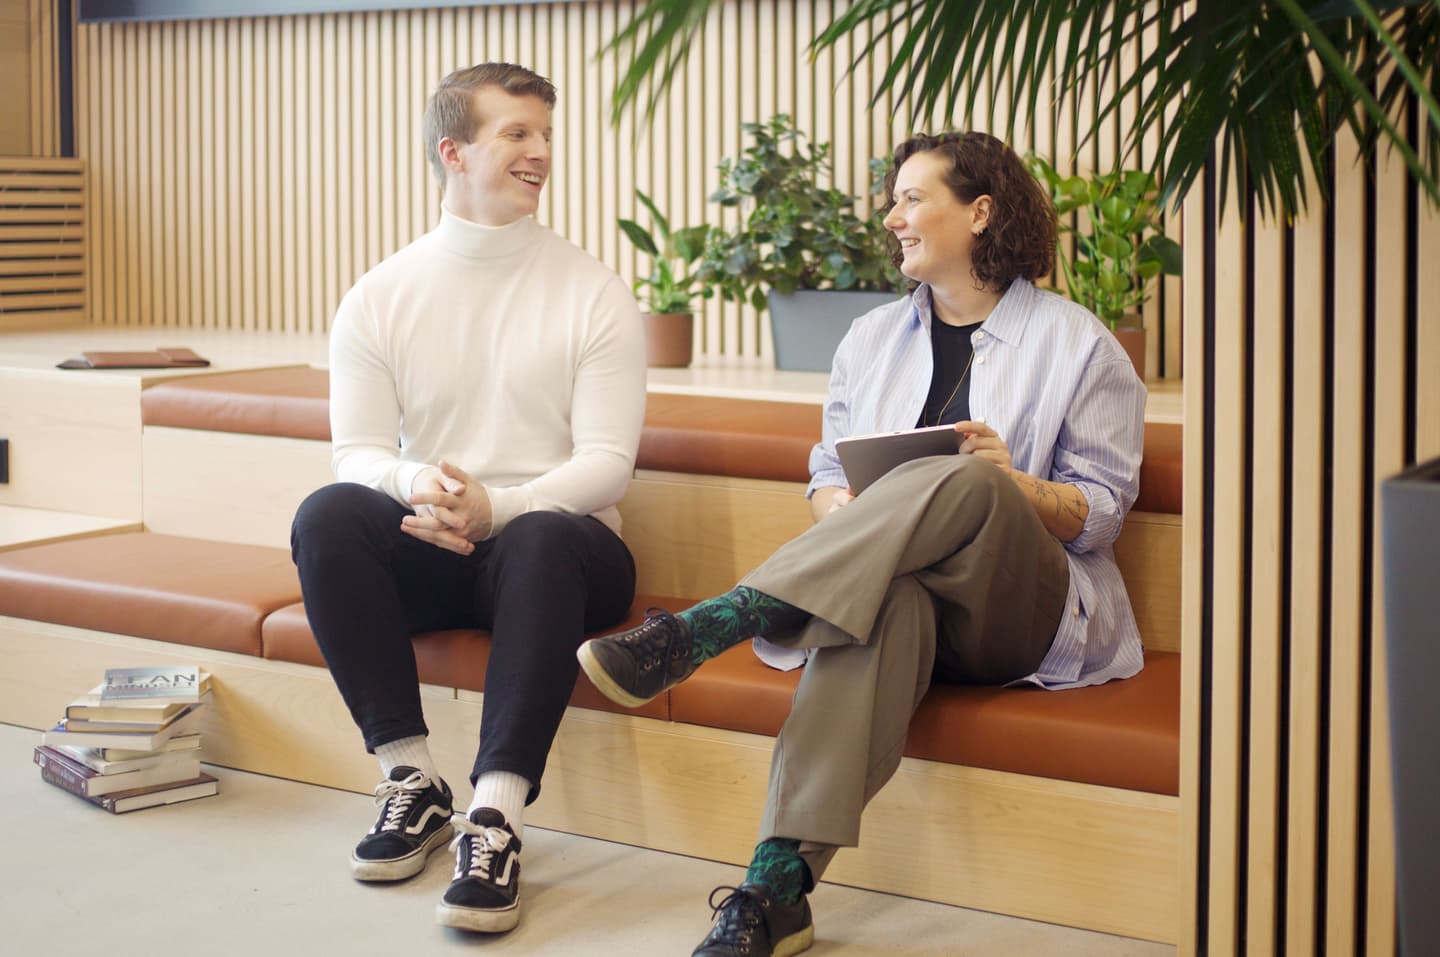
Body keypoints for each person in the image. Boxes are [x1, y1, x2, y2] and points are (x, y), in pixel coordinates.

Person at [578, 131, 1146, 957]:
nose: (893, 217)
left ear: (981, 212)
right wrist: (837, 503)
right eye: (895, 200)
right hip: (898, 592)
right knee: (883, 604)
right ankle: (775, 888)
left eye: (913, 198)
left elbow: (1100, 514)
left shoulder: (1079, 342)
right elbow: (824, 468)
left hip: (1020, 608)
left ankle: (716, 624)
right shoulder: (870, 338)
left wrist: (1013, 483)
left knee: (974, 477)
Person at [290, 62, 646, 934]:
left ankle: (496, 817)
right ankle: (410, 778)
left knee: (542, 538)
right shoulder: (380, 295)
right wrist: (416, 483)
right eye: (517, 133)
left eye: (546, 134)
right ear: (453, 151)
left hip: (565, 551)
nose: (541, 152)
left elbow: (609, 460)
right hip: (439, 536)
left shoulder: (591, 288)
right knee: (327, 516)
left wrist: (504, 505)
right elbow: (357, 453)